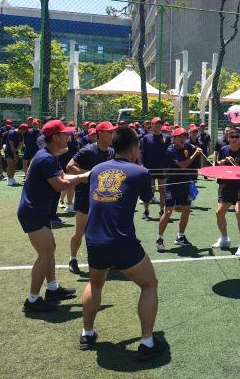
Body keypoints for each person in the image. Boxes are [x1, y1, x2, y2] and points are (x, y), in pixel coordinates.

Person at [80, 127, 168, 360]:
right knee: (150, 284)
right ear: (134, 147)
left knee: (95, 283)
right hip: (121, 240)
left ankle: (87, 333)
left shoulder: (97, 170)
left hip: (93, 239)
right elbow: (147, 198)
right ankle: (147, 342)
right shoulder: (140, 172)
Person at [17, 120, 89, 313]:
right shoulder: (46, 158)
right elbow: (60, 185)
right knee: (45, 253)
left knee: (50, 249)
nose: (69, 137)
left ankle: (52, 289)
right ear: (55, 137)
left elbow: (63, 178)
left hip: (38, 211)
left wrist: (83, 175)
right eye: (65, 134)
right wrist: (83, 177)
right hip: (33, 212)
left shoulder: (48, 155)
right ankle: (32, 300)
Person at [66, 121, 115, 275]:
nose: (112, 134)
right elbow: (69, 166)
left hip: (104, 197)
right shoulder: (88, 150)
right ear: (100, 134)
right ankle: (73, 259)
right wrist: (88, 175)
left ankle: (105, 258)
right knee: (80, 231)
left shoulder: (112, 152)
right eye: (109, 132)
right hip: (85, 195)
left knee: (104, 229)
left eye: (112, 132)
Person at [156, 127, 203, 251]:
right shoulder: (170, 150)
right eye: (180, 136)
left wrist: (197, 149)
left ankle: (180, 237)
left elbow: (194, 147)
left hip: (184, 184)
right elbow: (183, 165)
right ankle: (159, 238)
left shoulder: (186, 146)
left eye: (184, 136)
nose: (183, 139)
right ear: (174, 138)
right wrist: (195, 155)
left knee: (186, 209)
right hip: (172, 185)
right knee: (168, 212)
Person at [212, 126, 240, 257]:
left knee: (238, 212)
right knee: (219, 212)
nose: (234, 139)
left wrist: (234, 163)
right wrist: (223, 161)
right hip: (228, 185)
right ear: (228, 138)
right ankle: (224, 238)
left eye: (236, 137)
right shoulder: (224, 149)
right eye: (231, 136)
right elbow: (218, 166)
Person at [140, 117, 171, 219]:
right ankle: (146, 210)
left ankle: (162, 210)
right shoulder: (146, 138)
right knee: (150, 191)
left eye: (159, 123)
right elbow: (142, 153)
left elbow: (169, 153)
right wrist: (142, 166)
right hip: (149, 168)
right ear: (152, 125)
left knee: (162, 190)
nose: (158, 125)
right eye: (156, 124)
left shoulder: (167, 138)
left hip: (162, 168)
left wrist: (168, 166)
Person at [58, 125, 79, 212]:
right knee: (69, 184)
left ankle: (64, 201)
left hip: (69, 163)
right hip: (64, 163)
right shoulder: (69, 135)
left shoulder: (74, 139)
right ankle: (69, 204)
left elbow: (76, 149)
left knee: (69, 184)